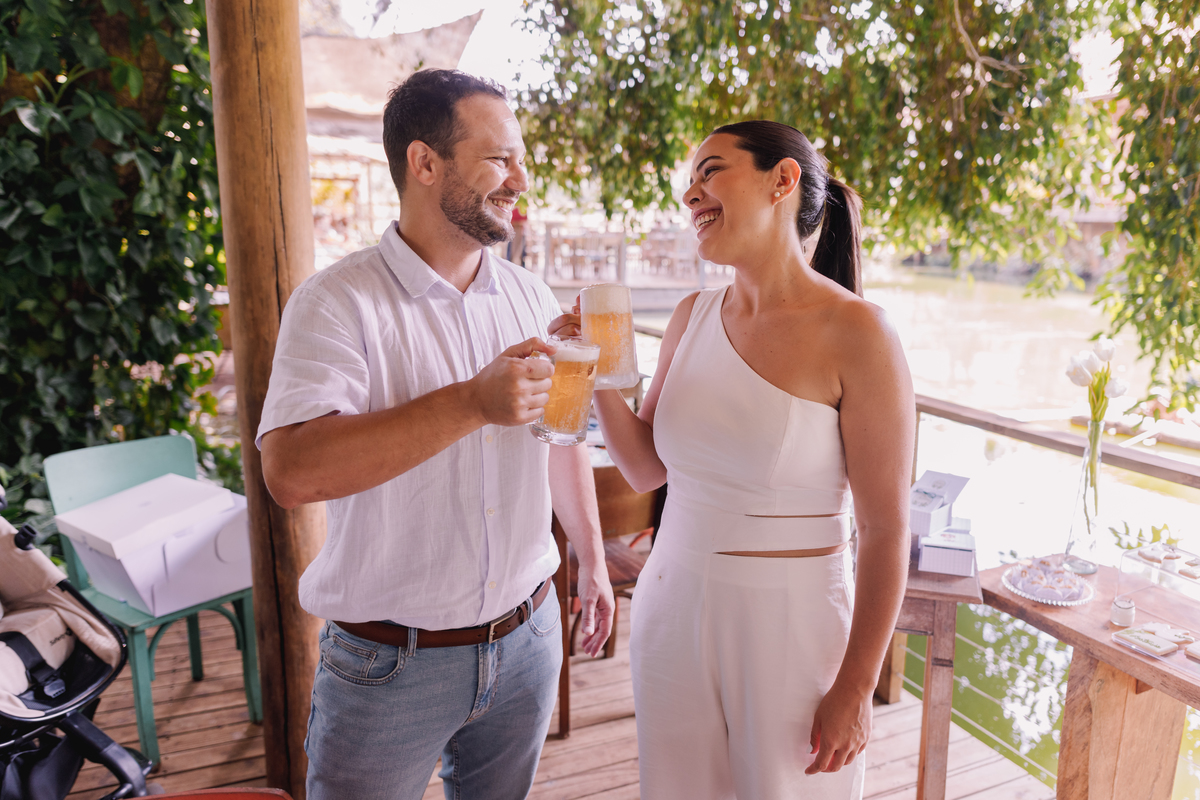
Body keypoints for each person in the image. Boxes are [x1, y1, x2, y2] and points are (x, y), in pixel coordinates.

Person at [257, 69, 615, 800]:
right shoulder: (334, 303)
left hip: (530, 638)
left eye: (521, 157)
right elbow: (290, 473)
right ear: (425, 163)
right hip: (388, 667)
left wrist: (593, 558)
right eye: (498, 159)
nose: (522, 177)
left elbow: (561, 438)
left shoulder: (529, 296)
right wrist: (471, 404)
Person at [570, 121, 914, 798]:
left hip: (792, 625)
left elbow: (884, 529)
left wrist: (855, 684)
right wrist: (596, 370)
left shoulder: (861, 333)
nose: (690, 192)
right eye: (690, 178)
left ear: (782, 179)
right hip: (672, 607)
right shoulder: (689, 315)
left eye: (711, 171)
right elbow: (643, 469)